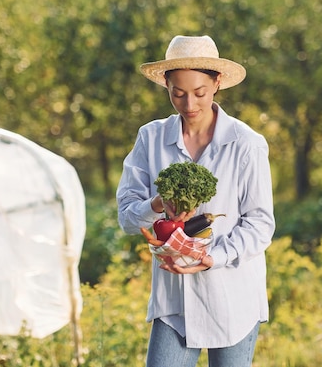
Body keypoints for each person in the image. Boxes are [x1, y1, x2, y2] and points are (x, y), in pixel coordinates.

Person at [116, 35, 276, 367]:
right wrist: (157, 205)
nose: (189, 105)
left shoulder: (247, 144)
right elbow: (127, 218)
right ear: (166, 85)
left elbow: (260, 224)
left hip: (232, 296)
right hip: (175, 302)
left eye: (199, 93)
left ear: (217, 84)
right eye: (178, 93)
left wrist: (212, 257)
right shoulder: (151, 138)